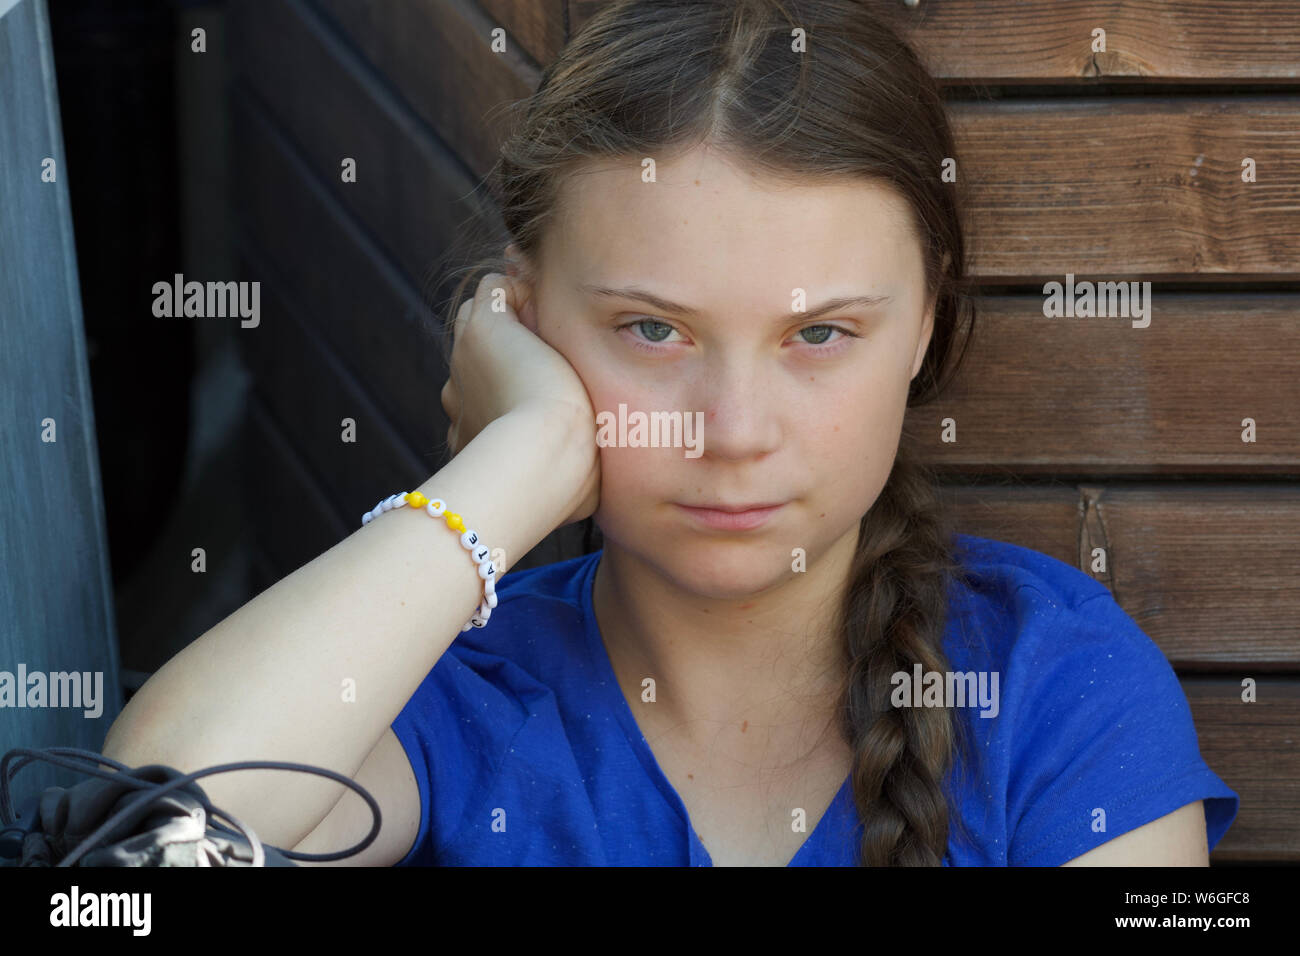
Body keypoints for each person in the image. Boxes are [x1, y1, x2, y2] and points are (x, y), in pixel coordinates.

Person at [101, 0, 1238, 866]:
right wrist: (516, 464)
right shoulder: (456, 690)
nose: (734, 429)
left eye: (820, 332)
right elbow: (142, 835)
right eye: (652, 328)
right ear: (526, 321)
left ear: (924, 326)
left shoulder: (1055, 686)